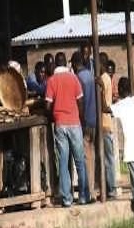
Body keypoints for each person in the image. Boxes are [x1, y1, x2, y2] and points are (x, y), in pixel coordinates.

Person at [99, 77, 134, 224]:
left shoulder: (121, 105)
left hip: (132, 149)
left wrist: (102, 90)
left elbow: (105, 108)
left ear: (120, 90)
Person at [46, 52, 89, 207]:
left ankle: (67, 199)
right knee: (79, 160)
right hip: (74, 122)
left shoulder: (51, 80)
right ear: (66, 63)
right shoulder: (74, 78)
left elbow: (47, 105)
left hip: (60, 124)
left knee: (63, 162)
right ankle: (83, 196)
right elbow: (81, 101)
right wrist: (81, 119)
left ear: (55, 64)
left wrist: (54, 115)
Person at [71, 51, 97, 200]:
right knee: (91, 157)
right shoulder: (91, 76)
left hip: (84, 121)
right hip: (94, 120)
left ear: (74, 64)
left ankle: (89, 192)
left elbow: (79, 103)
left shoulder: (78, 79)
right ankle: (92, 189)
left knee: (84, 159)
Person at [99, 52, 117, 199]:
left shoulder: (103, 79)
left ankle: (111, 189)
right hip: (106, 123)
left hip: (104, 123)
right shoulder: (107, 79)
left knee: (108, 159)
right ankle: (109, 188)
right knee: (107, 158)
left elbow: (104, 105)